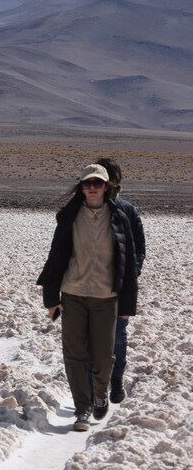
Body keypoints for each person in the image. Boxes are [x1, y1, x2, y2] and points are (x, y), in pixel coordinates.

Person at [37, 164, 138, 432]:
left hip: (106, 296)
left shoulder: (119, 217)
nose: (92, 188)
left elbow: (127, 263)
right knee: (75, 354)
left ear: (107, 186)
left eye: (97, 183)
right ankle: (82, 409)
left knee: (104, 355)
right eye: (86, 184)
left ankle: (101, 393)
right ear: (81, 187)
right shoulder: (70, 216)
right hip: (73, 293)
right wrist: (51, 298)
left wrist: (127, 304)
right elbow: (56, 257)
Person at [95, 157, 145, 404]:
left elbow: (139, 250)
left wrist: (129, 278)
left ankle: (115, 384)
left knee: (117, 337)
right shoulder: (84, 210)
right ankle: (98, 389)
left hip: (118, 288)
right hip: (90, 287)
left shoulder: (127, 210)